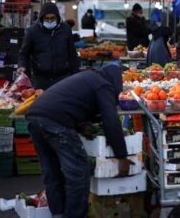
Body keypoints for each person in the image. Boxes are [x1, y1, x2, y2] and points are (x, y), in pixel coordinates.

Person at [26, 65, 132, 217]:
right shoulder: (104, 85)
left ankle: (58, 213)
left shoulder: (88, 78)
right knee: (78, 173)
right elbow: (111, 121)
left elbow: (74, 103)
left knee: (52, 172)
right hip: (56, 122)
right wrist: (122, 156)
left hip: (34, 117)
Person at [17, 3, 79, 90]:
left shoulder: (66, 29)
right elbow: (24, 52)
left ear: (57, 17)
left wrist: (76, 74)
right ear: (41, 18)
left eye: (52, 18)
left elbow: (72, 53)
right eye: (46, 18)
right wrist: (22, 65)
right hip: (41, 78)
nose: (50, 21)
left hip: (63, 77)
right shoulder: (32, 31)